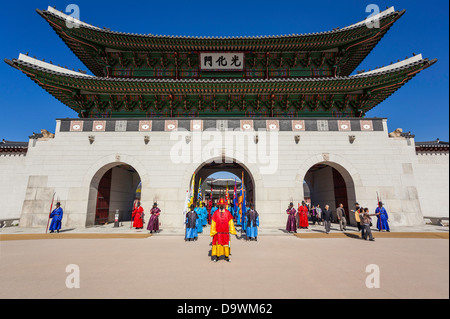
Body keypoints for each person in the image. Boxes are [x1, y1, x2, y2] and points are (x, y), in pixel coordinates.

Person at [210, 198, 237, 262]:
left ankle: (226, 256)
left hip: (225, 233)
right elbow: (213, 223)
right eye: (221, 205)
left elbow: (231, 222)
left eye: (223, 205)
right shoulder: (215, 213)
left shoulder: (227, 213)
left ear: (224, 205)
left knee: (226, 245)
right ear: (219, 205)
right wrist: (213, 231)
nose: (222, 206)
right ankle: (217, 257)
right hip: (218, 233)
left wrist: (232, 230)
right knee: (218, 245)